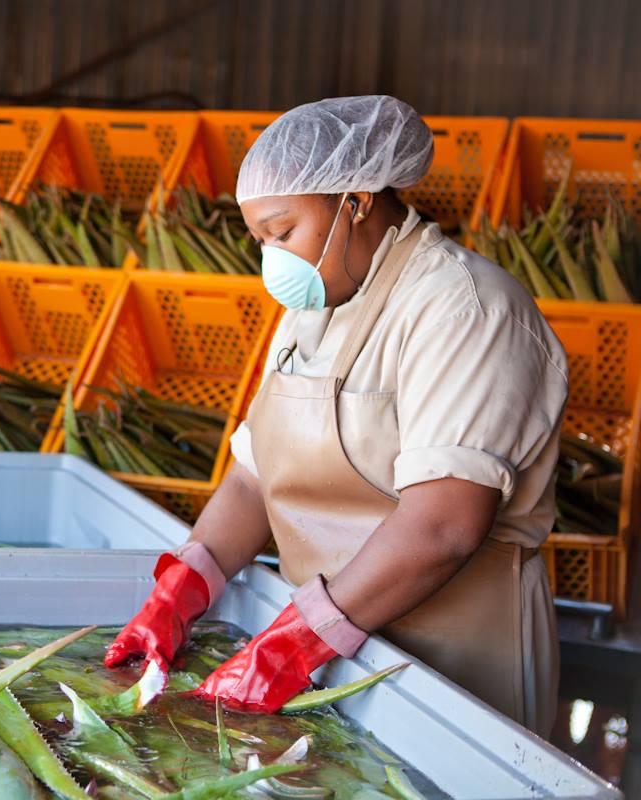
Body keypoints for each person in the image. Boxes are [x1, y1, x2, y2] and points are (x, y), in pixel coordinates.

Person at [105, 95, 567, 737]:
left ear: (355, 199)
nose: (274, 260)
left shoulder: (463, 309)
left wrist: (289, 645)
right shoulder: (312, 311)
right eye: (261, 240)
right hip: (329, 648)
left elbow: (443, 526)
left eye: (283, 231)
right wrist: (183, 586)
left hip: (456, 662)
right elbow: (253, 476)